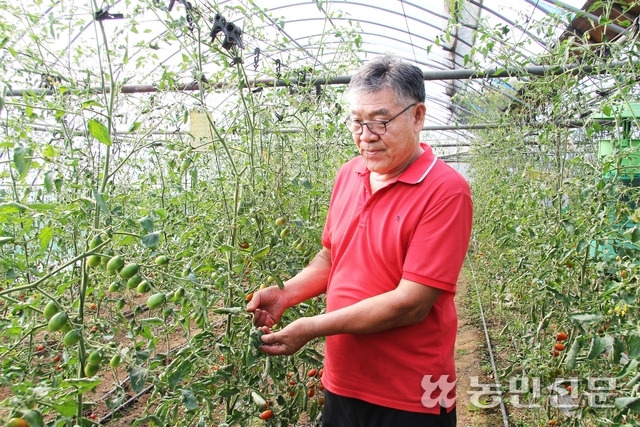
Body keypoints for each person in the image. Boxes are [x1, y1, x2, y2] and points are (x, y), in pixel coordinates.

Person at [247, 54, 473, 426]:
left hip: (415, 392)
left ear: (418, 116)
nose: (366, 136)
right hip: (344, 379)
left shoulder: (446, 191)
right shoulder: (349, 174)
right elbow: (331, 257)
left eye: (381, 122)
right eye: (357, 122)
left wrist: (312, 326)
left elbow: (411, 304)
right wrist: (286, 293)